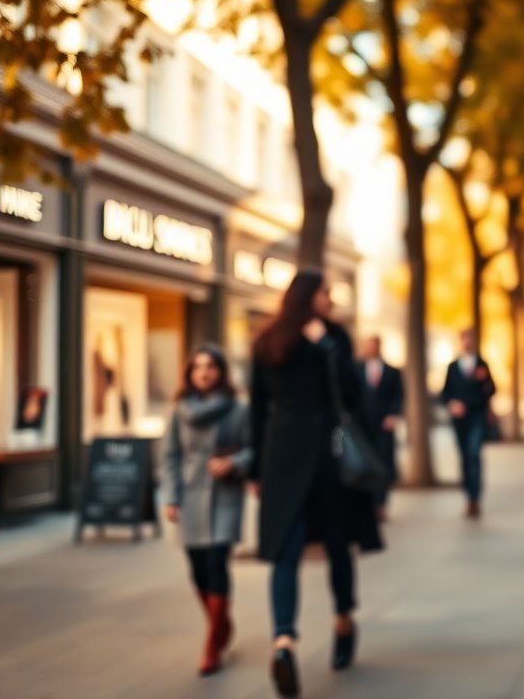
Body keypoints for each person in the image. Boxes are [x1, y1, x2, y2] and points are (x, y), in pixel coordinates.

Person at [249, 271, 383, 698]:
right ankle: (311, 632)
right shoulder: (280, 340)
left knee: (314, 549)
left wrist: (258, 469)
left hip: (300, 460)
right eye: (327, 293)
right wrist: (255, 471)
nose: (332, 299)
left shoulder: (316, 338)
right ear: (309, 297)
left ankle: (310, 629)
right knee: (316, 547)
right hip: (310, 459)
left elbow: (349, 391)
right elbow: (258, 406)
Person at [159, 345, 252, 677]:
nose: (203, 372)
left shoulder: (240, 410)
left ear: (221, 372)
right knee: (197, 569)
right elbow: (169, 457)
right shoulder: (178, 411)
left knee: (216, 563)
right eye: (197, 367)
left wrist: (233, 463)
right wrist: (171, 498)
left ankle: (212, 643)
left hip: (224, 496)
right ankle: (222, 623)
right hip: (189, 496)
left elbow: (255, 450)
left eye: (210, 366)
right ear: (189, 373)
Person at [439, 329, 496, 519]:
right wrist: (452, 404)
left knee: (474, 453)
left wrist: (484, 380)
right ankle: (468, 495)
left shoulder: (482, 364)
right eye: (464, 340)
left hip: (477, 416)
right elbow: (445, 393)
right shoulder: (453, 367)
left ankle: (475, 496)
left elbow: (492, 389)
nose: (467, 343)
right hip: (459, 419)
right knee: (464, 455)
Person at [357, 335, 403, 521]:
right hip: (363, 425)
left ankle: (381, 504)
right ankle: (367, 504)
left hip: (384, 425)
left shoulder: (392, 371)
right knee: (365, 463)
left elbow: (399, 395)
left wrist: (392, 415)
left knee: (383, 463)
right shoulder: (357, 369)